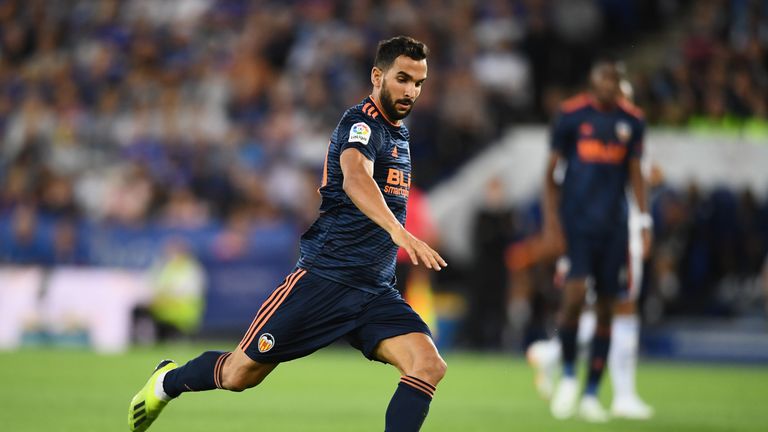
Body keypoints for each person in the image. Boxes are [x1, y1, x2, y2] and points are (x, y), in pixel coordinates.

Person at [127, 36, 448, 432]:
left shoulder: (399, 133)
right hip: (324, 280)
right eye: (402, 78)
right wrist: (401, 232)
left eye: (418, 82)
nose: (411, 90)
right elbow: (355, 179)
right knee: (239, 374)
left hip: (374, 290)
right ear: (377, 75)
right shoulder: (361, 123)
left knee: (428, 364)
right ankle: (166, 382)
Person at [527, 75, 655, 420]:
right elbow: (555, 174)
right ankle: (570, 368)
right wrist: (554, 224)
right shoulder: (576, 124)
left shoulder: (632, 128)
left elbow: (643, 176)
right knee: (583, 299)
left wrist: (643, 223)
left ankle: (581, 377)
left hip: (619, 231)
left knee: (614, 307)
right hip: (582, 229)